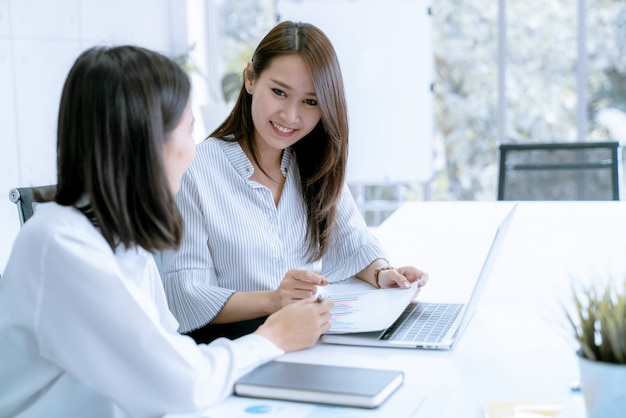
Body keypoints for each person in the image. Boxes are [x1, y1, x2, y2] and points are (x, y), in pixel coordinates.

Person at [0, 45, 333, 418]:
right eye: (189, 130)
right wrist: (272, 339)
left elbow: (170, 351)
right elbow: (179, 384)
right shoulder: (59, 246)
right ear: (145, 140)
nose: (193, 151)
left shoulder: (124, 243)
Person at [161, 20, 429, 344]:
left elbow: (352, 240)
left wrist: (383, 273)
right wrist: (274, 300)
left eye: (310, 102)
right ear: (249, 79)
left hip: (306, 343)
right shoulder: (194, 169)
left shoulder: (313, 162)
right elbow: (185, 296)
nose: (290, 116)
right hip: (235, 349)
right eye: (279, 92)